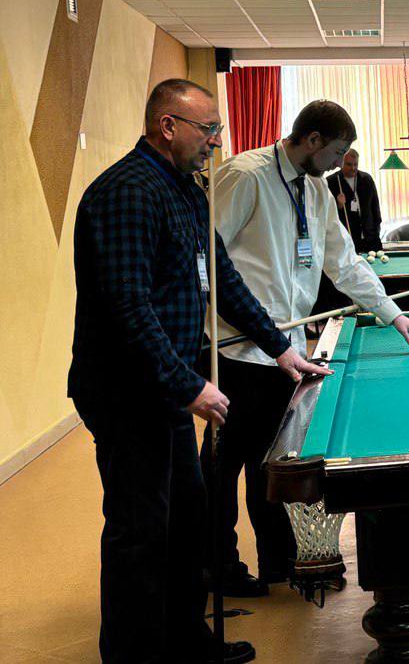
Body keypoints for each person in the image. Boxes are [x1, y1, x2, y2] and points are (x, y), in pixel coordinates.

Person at [69, 78, 330, 664]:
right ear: (168, 126)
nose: (216, 140)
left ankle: (186, 643)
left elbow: (224, 279)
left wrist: (280, 349)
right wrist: (189, 385)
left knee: (186, 520)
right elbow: (128, 307)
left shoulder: (184, 191)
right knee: (141, 531)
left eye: (218, 129)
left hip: (162, 390)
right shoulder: (127, 193)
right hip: (126, 394)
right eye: (208, 129)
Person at [202, 100, 409, 596]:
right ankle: (218, 569)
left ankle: (279, 562)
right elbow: (206, 260)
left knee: (271, 465)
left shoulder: (316, 188)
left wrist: (394, 315)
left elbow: (344, 262)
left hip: (284, 349)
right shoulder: (245, 176)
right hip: (237, 351)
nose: (341, 161)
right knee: (222, 468)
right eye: (338, 151)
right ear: (312, 140)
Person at [326, 148, 382, 253]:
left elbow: (375, 208)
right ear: (341, 163)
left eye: (355, 164)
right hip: (347, 240)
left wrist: (376, 231)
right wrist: (338, 205)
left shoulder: (366, 179)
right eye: (349, 164)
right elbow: (327, 215)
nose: (353, 168)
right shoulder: (331, 182)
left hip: (371, 239)